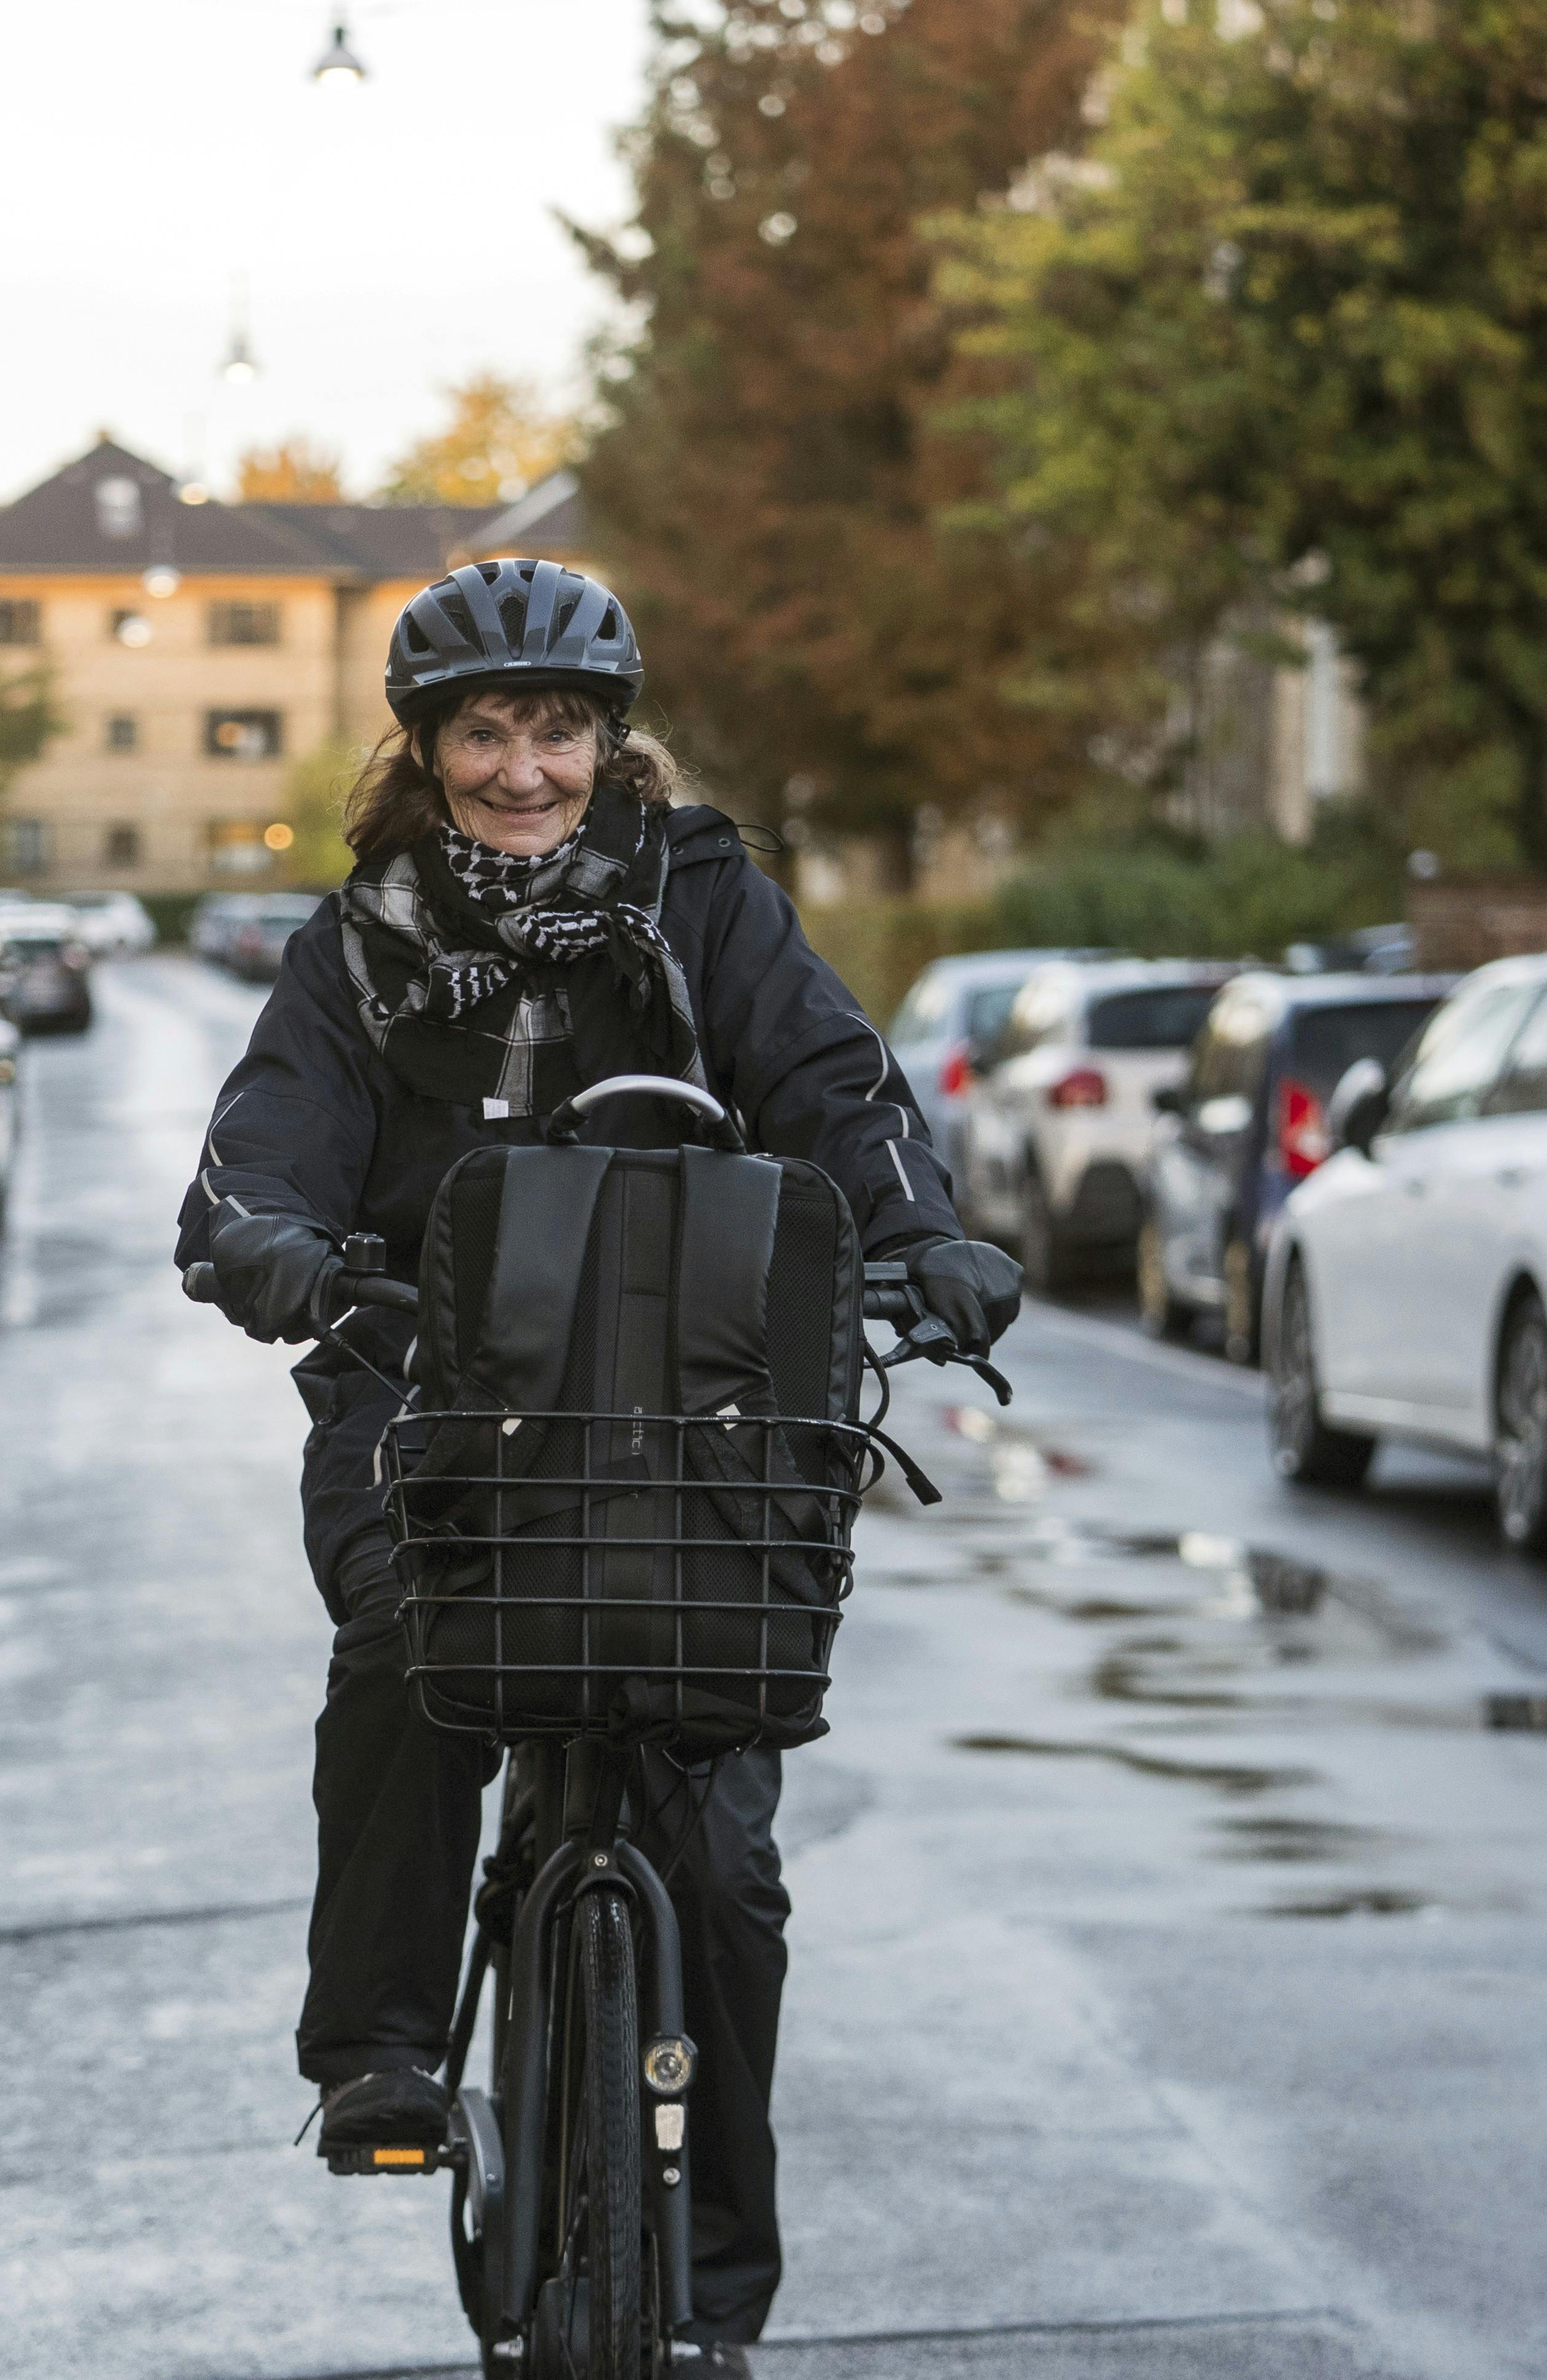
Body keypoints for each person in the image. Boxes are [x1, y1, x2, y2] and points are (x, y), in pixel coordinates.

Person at [176, 559, 1021, 2363]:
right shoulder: (356, 949)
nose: (525, 768)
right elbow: (265, 1148)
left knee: (719, 1866)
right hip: (438, 1399)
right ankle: (387, 2053)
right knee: (410, 1641)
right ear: (428, 748)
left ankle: (709, 2305)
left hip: (696, 1409)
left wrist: (921, 1232)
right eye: (486, 730)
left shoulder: (704, 902)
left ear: (607, 739)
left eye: (557, 728)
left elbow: (835, 1086)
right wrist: (268, 1237)